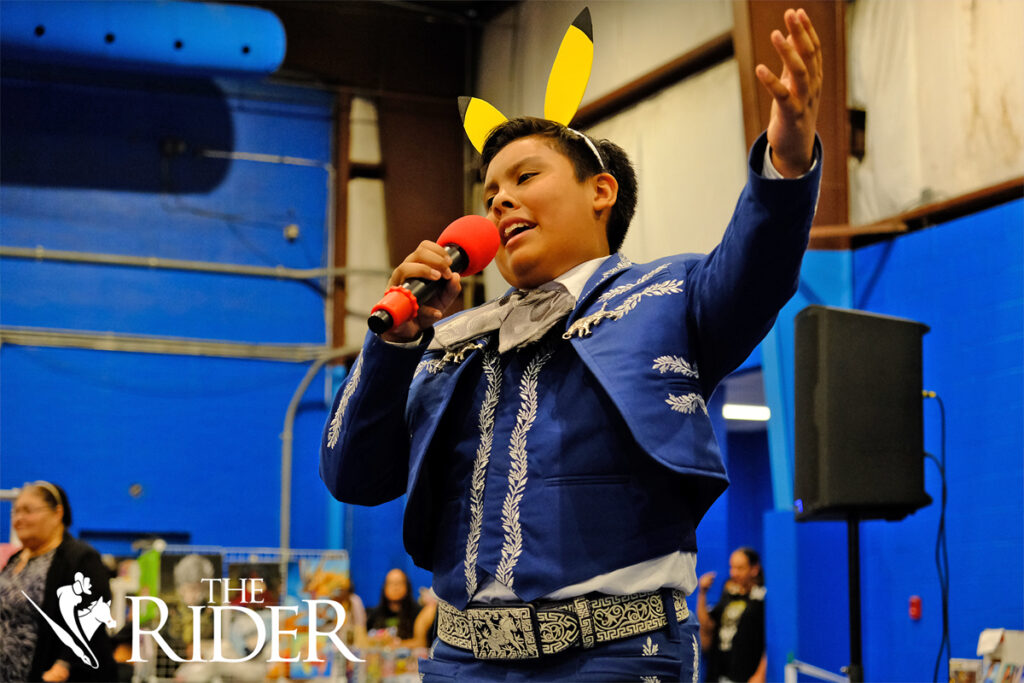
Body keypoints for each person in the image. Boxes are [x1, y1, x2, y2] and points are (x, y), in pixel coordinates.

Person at [321, 7, 822, 680]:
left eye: (524, 177)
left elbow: (757, 267)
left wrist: (787, 162)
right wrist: (396, 345)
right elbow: (352, 475)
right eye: (489, 189)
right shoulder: (452, 341)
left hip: (615, 658)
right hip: (460, 659)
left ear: (600, 192)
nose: (498, 201)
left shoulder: (670, 294)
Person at [0, 482, 117, 682]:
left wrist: (63, 664)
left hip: (55, 675)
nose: (19, 519)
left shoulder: (79, 558)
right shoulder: (15, 560)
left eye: (28, 511)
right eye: (16, 512)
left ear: (57, 513)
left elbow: (92, 616)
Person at [697, 548, 767, 683]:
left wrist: (760, 673)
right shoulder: (728, 593)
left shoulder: (761, 599)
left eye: (740, 568)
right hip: (718, 673)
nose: (734, 573)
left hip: (745, 674)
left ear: (754, 569)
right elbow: (707, 626)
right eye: (732, 567)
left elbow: (769, 641)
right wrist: (702, 593)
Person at [366, 568, 421, 645]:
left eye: (399, 583)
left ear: (407, 587)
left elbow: (421, 642)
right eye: (391, 583)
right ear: (384, 587)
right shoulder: (374, 615)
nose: (395, 588)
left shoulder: (418, 614)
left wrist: (398, 644)